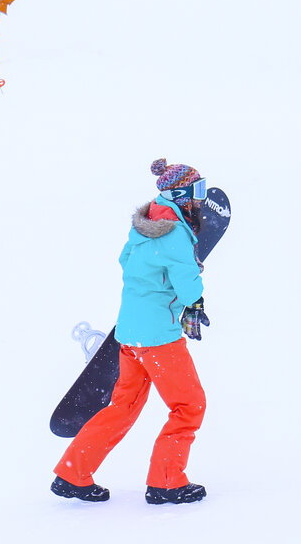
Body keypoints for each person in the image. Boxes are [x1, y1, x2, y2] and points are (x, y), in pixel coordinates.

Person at [52, 158, 212, 505]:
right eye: (197, 191)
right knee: (189, 406)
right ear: (181, 194)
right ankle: (167, 482)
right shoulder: (176, 234)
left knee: (123, 406)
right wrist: (194, 299)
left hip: (129, 336)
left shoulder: (145, 225)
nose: (200, 199)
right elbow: (187, 286)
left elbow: (128, 263)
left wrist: (161, 278)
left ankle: (72, 472)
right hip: (159, 340)